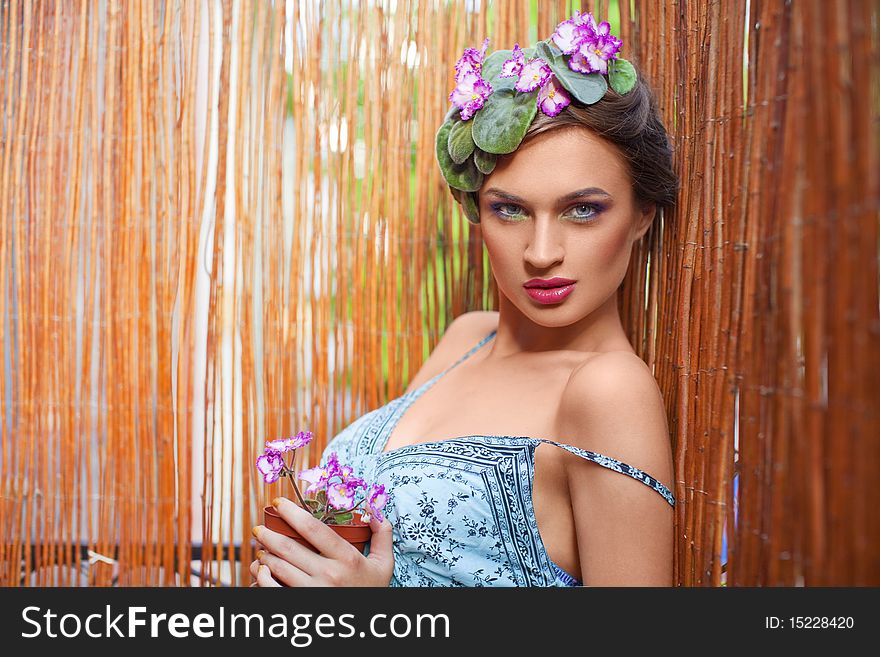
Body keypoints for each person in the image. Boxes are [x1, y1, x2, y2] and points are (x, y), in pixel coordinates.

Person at [250, 10, 678, 587]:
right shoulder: (467, 335)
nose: (541, 252)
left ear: (640, 217)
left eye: (583, 210)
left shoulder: (607, 390)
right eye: (510, 209)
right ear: (476, 212)